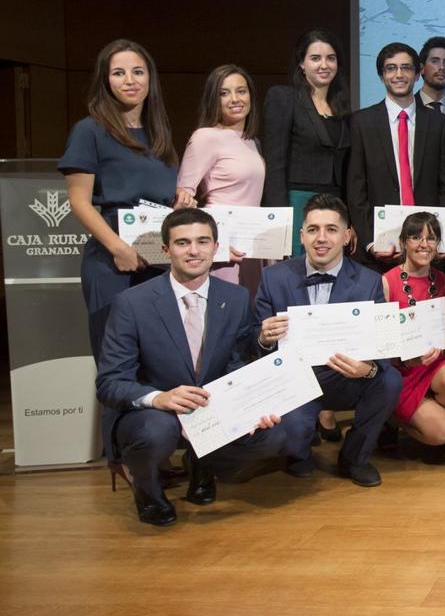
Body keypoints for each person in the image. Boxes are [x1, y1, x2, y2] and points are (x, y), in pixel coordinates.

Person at [95, 209, 308, 526]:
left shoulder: (235, 297)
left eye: (202, 241)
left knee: (277, 434)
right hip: (156, 412)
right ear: (166, 250)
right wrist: (159, 398)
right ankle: (148, 493)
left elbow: (240, 352)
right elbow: (110, 382)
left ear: (215, 247)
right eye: (182, 243)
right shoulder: (132, 303)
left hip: (212, 406)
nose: (193, 251)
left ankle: (202, 461)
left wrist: (261, 344)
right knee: (156, 432)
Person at [60, 39, 182, 461]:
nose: (129, 80)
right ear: (105, 80)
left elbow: (161, 201)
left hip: (156, 262)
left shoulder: (160, 134)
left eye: (138, 71)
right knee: (118, 367)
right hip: (113, 263)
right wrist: (116, 247)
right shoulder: (90, 129)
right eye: (119, 72)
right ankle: (122, 461)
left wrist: (180, 208)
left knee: (156, 362)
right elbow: (78, 201)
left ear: (150, 79)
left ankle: (149, 453)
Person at [255, 194, 402, 487]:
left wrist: (368, 368)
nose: (321, 238)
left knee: (389, 380)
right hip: (294, 381)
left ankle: (355, 457)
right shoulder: (273, 277)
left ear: (347, 235)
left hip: (345, 377)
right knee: (293, 435)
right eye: (313, 229)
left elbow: (383, 345)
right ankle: (298, 452)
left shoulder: (369, 280)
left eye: (331, 230)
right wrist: (263, 338)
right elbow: (250, 342)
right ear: (302, 235)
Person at [346, 42, 445, 262]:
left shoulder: (438, 123)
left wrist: (444, 238)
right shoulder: (362, 122)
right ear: (381, 75)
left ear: (418, 74)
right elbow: (356, 187)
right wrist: (369, 241)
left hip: (427, 244)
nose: (399, 74)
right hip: (380, 246)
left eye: (406, 68)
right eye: (391, 68)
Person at [379, 212, 445, 459]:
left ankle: (428, 415)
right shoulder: (386, 282)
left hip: (434, 364)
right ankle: (390, 419)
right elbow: (381, 344)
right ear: (404, 242)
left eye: (431, 238)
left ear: (438, 244)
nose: (424, 244)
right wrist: (406, 360)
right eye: (416, 237)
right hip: (400, 369)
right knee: (443, 432)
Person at [260, 27, 351, 257]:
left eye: (331, 58)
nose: (324, 65)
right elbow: (275, 162)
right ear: (301, 63)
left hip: (335, 206)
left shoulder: (342, 107)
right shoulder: (283, 97)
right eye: (315, 58)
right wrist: (278, 219)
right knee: (296, 280)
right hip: (297, 203)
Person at [177, 64, 265, 287]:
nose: (235, 99)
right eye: (224, 93)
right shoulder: (205, 137)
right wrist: (216, 244)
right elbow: (182, 204)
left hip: (252, 248)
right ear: (213, 100)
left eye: (241, 91)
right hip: (222, 251)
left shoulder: (253, 142)